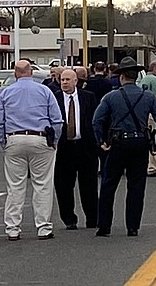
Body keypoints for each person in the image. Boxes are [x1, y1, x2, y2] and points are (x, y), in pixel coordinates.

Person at [93, 56, 156, 237]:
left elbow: (97, 120)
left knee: (109, 185)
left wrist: (101, 141)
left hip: (118, 143)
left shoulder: (111, 97)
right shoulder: (147, 96)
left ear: (121, 77)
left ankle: (104, 225)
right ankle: (132, 227)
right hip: (140, 143)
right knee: (136, 186)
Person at [0, 60, 64, 241]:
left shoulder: (6, 92)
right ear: (31, 72)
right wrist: (54, 139)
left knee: (15, 186)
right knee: (42, 184)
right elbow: (56, 119)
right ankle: (43, 227)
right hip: (40, 138)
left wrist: (3, 141)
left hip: (14, 138)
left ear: (16, 73)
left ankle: (12, 228)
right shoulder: (44, 91)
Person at [54, 69, 99, 230]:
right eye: (62, 80)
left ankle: (92, 218)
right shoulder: (55, 98)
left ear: (75, 81)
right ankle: (69, 219)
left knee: (89, 185)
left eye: (67, 80)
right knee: (64, 185)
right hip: (64, 147)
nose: (64, 82)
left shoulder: (88, 97)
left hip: (85, 146)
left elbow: (96, 119)